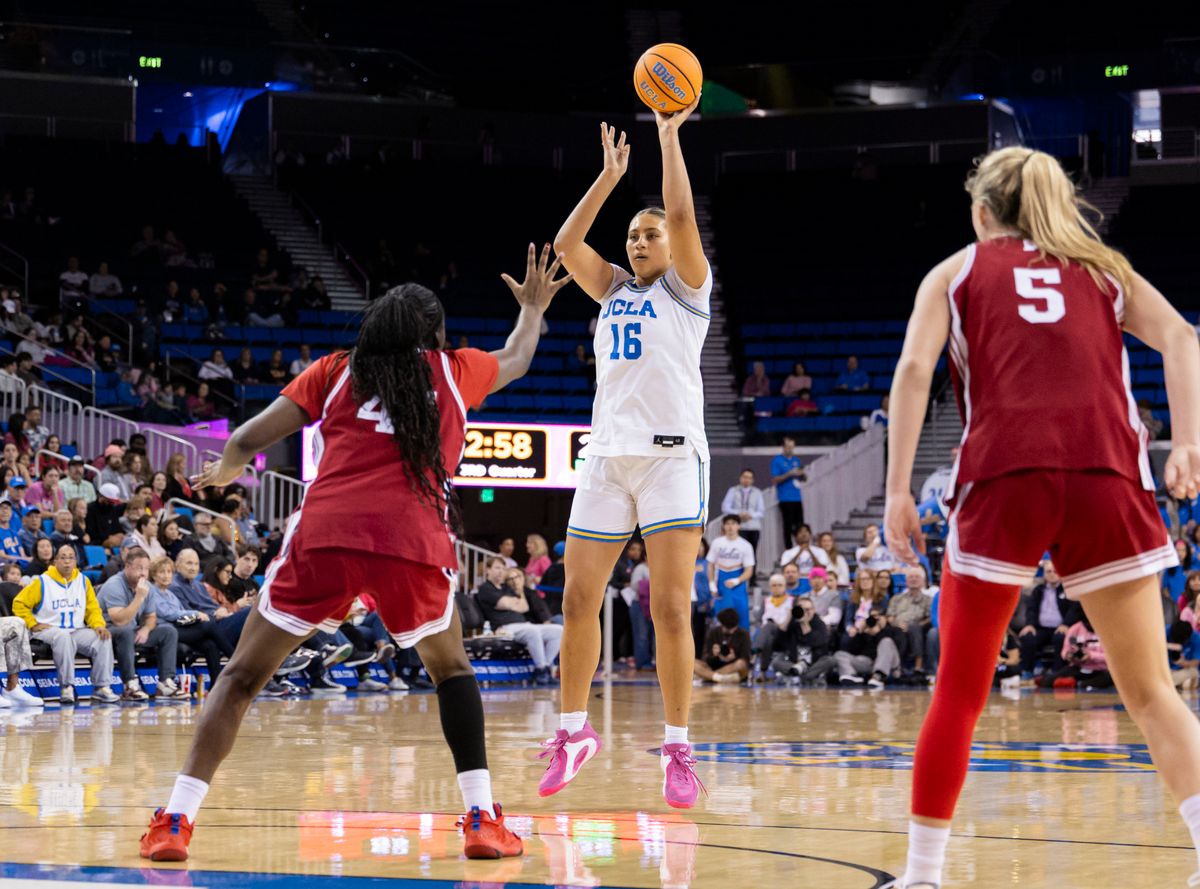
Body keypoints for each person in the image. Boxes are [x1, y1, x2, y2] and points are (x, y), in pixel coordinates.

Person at [139, 246, 572, 863]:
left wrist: (227, 469)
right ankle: (480, 817)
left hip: (326, 536)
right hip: (412, 541)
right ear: (434, 336)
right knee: (451, 672)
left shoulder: (336, 369)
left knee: (239, 678)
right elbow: (521, 355)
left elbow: (244, 438)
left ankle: (175, 821)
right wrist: (531, 308)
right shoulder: (454, 370)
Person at [882, 146, 1200, 889]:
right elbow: (1185, 338)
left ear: (981, 210)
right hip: (1107, 472)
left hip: (1006, 472)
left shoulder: (956, 272)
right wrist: (1187, 442)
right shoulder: (1103, 268)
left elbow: (912, 371)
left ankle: (923, 876)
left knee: (960, 692)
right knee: (1152, 690)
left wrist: (898, 487)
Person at [540, 105, 712, 808]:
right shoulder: (611, 289)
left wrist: (667, 138)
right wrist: (609, 177)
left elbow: (677, 205)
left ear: (672, 245)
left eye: (652, 234)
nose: (642, 240)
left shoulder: (687, 291)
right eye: (634, 236)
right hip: (608, 458)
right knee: (578, 597)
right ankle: (574, 730)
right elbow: (565, 240)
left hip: (672, 461)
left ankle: (678, 745)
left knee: (670, 608)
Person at [12, 543, 121, 704]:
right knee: (63, 636)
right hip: (47, 630)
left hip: (76, 630)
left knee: (103, 638)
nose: (67, 561)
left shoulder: (83, 581)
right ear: (55, 561)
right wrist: (32, 623)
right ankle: (67, 687)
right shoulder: (42, 581)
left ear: (76, 561)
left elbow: (92, 609)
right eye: (63, 557)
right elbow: (19, 604)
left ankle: (101, 688)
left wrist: (98, 625)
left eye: (71, 557)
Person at [98, 547, 185, 701]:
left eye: (146, 568)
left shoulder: (147, 587)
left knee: (168, 631)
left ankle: (165, 683)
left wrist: (145, 629)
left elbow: (151, 617)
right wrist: (138, 598)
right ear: (127, 567)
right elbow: (119, 620)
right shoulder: (114, 585)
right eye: (139, 568)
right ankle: (129, 685)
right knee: (125, 631)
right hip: (107, 631)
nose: (144, 573)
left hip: (132, 631)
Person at [476, 557, 563, 684]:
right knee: (532, 631)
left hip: (523, 625)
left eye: (503, 568)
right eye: (497, 568)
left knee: (559, 630)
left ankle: (545, 668)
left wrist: (512, 602)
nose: (501, 571)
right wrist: (513, 602)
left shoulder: (506, 588)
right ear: (488, 570)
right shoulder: (485, 588)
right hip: (504, 627)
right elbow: (504, 603)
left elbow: (524, 607)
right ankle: (541, 668)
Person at [1017, 561, 1079, 677]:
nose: (1052, 574)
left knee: (1060, 638)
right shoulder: (1038, 590)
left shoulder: (1067, 589)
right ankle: (1026, 672)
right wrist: (1029, 624)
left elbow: (1073, 609)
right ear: (1044, 574)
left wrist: (1066, 624)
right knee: (1028, 638)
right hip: (1041, 628)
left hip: (1061, 628)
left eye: (1055, 571)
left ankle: (1057, 673)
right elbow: (1031, 609)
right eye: (1048, 571)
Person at [706, 515, 755, 630]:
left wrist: (737, 580)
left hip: (738, 585)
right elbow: (710, 565)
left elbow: (749, 570)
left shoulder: (745, 545)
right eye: (727, 523)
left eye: (733, 523)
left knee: (741, 615)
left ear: (738, 526)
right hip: (721, 583)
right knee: (720, 617)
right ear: (723, 525)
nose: (730, 526)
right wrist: (712, 585)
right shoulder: (717, 543)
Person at [692, 607, 750, 683]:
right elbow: (705, 658)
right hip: (714, 665)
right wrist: (714, 655)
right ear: (722, 624)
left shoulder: (744, 634)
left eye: (733, 628)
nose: (731, 631)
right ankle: (719, 678)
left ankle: (708, 677)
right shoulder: (713, 632)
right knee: (692, 662)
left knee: (741, 663)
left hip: (733, 666)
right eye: (728, 628)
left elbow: (746, 659)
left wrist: (733, 658)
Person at [753, 573, 793, 675]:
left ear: (785, 586)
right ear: (770, 587)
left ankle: (754, 651)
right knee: (768, 639)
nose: (777, 588)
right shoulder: (766, 601)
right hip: (769, 635)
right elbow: (759, 620)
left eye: (780, 585)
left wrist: (783, 624)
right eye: (774, 585)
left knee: (769, 625)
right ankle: (763, 671)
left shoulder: (792, 601)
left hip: (785, 634)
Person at [770, 436, 806, 547]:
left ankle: (801, 547)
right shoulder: (777, 460)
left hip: (797, 497)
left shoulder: (796, 460)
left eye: (792, 447)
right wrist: (789, 474)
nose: (790, 449)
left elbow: (803, 478)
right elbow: (775, 479)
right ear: (783, 447)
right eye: (788, 447)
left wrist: (802, 475)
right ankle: (789, 549)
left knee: (800, 525)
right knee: (788, 526)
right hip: (785, 498)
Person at [720, 469, 764, 555]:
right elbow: (725, 507)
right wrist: (738, 514)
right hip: (739, 527)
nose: (746, 480)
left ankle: (752, 569)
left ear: (752, 480)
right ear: (740, 478)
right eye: (745, 477)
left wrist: (750, 515)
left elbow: (761, 511)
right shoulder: (733, 490)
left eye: (749, 478)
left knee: (752, 552)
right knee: (738, 552)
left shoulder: (757, 492)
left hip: (753, 527)